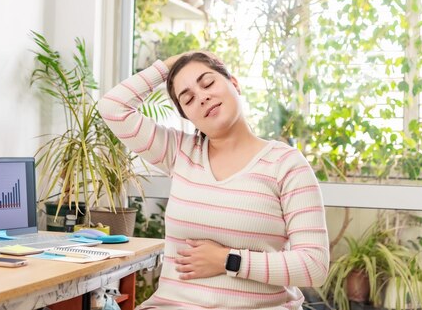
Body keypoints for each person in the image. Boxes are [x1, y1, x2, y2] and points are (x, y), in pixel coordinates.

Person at [99, 52, 329, 310]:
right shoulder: (180, 151)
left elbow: (314, 266)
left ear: (234, 83)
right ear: (186, 116)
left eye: (207, 83)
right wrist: (171, 64)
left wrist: (229, 261)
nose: (202, 97)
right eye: (188, 98)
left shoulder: (286, 164)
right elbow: (112, 107)